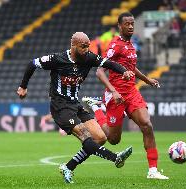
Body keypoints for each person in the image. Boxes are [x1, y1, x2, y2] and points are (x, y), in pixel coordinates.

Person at [17, 32, 134, 184]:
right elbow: (32, 64)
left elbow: (109, 63)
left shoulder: (89, 58)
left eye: (88, 46)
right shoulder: (58, 59)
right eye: (83, 47)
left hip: (75, 104)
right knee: (85, 137)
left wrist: (124, 71)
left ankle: (68, 167)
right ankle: (115, 157)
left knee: (100, 138)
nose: (86, 50)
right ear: (73, 46)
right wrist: (23, 86)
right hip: (60, 106)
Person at [82, 12, 169, 180]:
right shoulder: (115, 45)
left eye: (132, 23)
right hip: (116, 95)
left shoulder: (130, 45)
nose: (130, 26)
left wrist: (147, 79)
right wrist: (113, 91)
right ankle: (97, 108)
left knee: (147, 125)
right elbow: (100, 71)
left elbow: (131, 67)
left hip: (132, 92)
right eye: (127, 24)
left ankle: (153, 170)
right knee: (113, 140)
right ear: (119, 26)